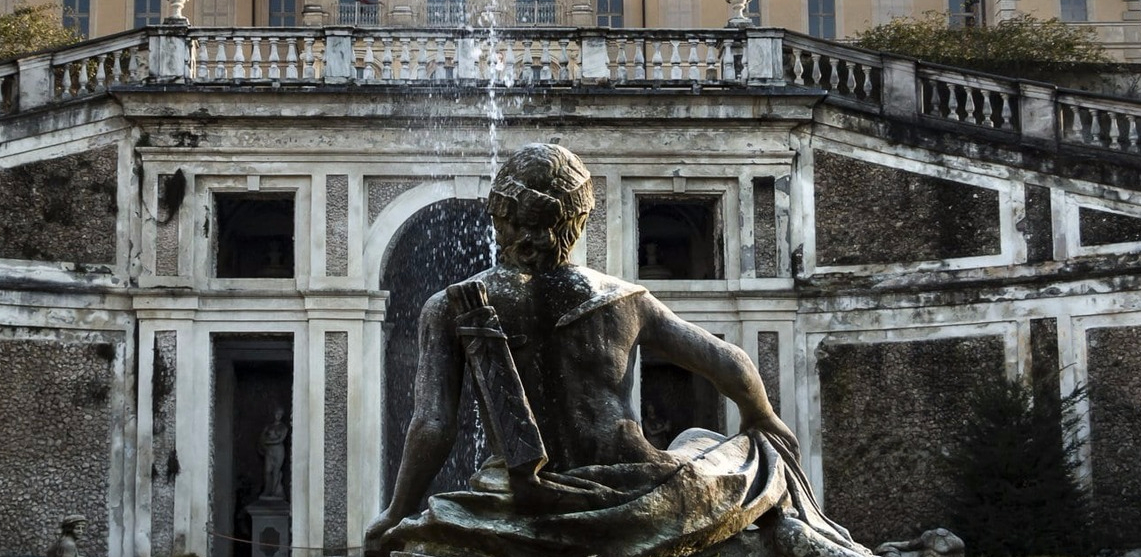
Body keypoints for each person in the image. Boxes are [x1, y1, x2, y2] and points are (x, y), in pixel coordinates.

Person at [365, 143, 869, 557]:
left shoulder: (449, 306)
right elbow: (728, 361)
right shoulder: (625, 301)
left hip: (519, 502)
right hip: (636, 496)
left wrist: (395, 513)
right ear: (579, 222)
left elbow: (433, 424)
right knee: (737, 446)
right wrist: (762, 418)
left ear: (500, 217)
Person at [258, 406, 289, 499]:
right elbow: (262, 438)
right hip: (269, 451)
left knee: (276, 470)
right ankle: (267, 490)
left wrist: (268, 442)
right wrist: (263, 445)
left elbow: (281, 439)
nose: (278, 416)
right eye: (277, 414)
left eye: (280, 414)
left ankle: (274, 492)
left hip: (278, 450)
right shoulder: (269, 427)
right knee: (267, 470)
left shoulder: (283, 427)